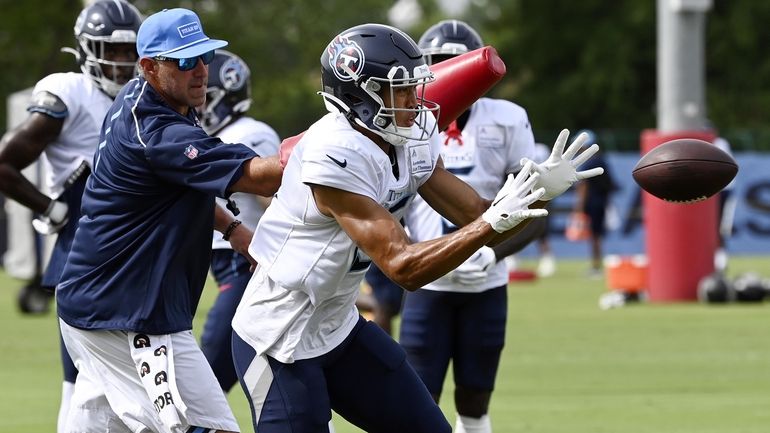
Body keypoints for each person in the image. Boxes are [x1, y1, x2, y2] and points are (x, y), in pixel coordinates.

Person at [231, 23, 602, 433]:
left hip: (337, 328)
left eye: (415, 85)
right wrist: (487, 224)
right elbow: (403, 267)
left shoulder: (411, 133)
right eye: (401, 89)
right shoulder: (332, 153)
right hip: (278, 337)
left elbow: (476, 212)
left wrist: (536, 192)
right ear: (361, 95)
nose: (416, 100)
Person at [55, 8, 282, 432]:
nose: (200, 71)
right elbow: (257, 176)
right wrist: (329, 147)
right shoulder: (157, 130)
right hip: (127, 316)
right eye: (183, 61)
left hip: (106, 309)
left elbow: (176, 189)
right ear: (148, 67)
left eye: (204, 57)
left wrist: (233, 230)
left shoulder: (152, 98)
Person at [0, 1, 142, 431]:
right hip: (87, 251)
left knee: (136, 388)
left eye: (127, 51)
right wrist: (49, 207)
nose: (119, 62)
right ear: (85, 49)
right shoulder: (68, 90)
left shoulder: (144, 93)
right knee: (81, 387)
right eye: (109, 51)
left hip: (137, 253)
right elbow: (5, 164)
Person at [398, 20, 544, 433]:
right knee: (418, 401)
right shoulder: (404, 120)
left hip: (486, 283)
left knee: (475, 401)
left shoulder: (508, 118)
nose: (450, 73)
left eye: (458, 63)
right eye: (440, 63)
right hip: (427, 282)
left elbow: (530, 206)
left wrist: (491, 251)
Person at [198, 49, 281, 392]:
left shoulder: (250, 132)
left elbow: (275, 196)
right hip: (229, 264)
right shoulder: (203, 135)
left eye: (206, 96)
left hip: (248, 264)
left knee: (205, 380)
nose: (199, 106)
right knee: (269, 379)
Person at [572, 129, 616, 276]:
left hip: (593, 203)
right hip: (600, 201)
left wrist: (579, 207)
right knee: (596, 235)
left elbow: (583, 186)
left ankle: (596, 266)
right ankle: (596, 265)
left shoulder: (590, 162)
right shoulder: (601, 159)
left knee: (595, 235)